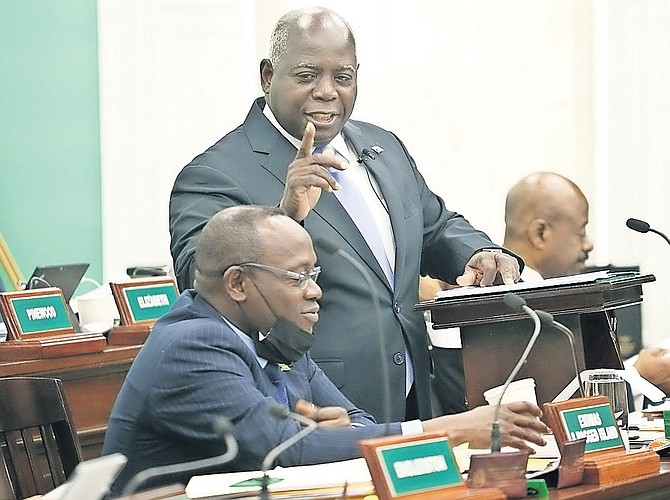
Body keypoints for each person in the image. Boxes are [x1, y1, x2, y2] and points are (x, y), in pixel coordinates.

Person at [169, 6, 522, 422]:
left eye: (343, 77)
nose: (326, 91)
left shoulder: (383, 146)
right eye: (307, 76)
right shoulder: (214, 173)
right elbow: (202, 284)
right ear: (268, 76)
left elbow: (433, 226)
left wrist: (476, 252)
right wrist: (285, 217)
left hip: (415, 402)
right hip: (315, 410)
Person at [103, 206, 548, 495]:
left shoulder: (277, 339)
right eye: (297, 277)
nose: (315, 291)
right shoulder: (192, 344)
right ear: (237, 283)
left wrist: (333, 432)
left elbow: (361, 423)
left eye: (314, 273)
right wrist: (454, 429)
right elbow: (283, 451)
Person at [428, 171, 670, 411]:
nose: (589, 244)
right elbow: (506, 403)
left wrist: (633, 372)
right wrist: (637, 377)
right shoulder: (484, 304)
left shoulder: (565, 299)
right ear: (540, 233)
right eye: (581, 231)